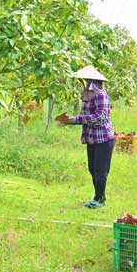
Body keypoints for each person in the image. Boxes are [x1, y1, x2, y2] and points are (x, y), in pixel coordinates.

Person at [56, 66, 115, 209]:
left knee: (100, 171)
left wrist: (75, 119)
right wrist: (70, 121)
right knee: (92, 169)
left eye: (86, 81)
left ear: (92, 81)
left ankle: (99, 200)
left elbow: (100, 116)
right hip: (92, 138)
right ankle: (99, 197)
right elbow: (87, 118)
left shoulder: (100, 94)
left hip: (104, 138)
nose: (84, 84)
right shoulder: (88, 95)